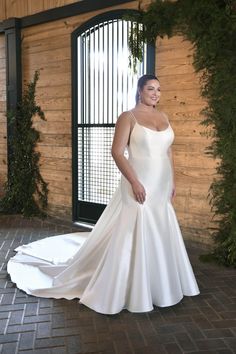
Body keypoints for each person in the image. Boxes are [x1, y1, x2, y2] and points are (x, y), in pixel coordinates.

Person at [7, 74, 200, 314]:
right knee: (134, 231)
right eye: (151, 88)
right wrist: (135, 182)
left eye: (159, 89)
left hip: (161, 184)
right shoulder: (128, 117)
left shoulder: (164, 116)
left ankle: (160, 284)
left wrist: (172, 180)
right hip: (138, 181)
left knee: (160, 228)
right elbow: (118, 152)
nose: (155, 93)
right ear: (140, 90)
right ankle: (130, 288)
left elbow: (168, 151)